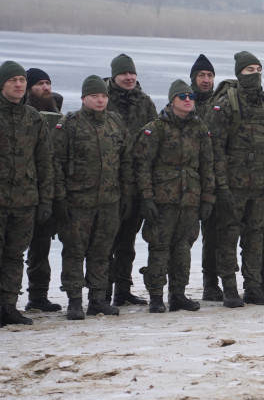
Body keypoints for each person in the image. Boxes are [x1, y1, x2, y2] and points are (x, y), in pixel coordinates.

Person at [209, 51, 264, 308]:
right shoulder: (226, 103)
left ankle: (253, 286)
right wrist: (221, 185)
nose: (254, 74)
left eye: (258, 69)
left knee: (256, 237)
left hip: (261, 185)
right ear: (239, 73)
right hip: (234, 184)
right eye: (249, 70)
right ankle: (229, 289)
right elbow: (216, 148)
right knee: (229, 236)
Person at [51, 75, 130, 319]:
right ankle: (75, 301)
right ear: (84, 98)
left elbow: (125, 161)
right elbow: (56, 163)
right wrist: (60, 198)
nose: (100, 100)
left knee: (102, 252)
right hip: (78, 203)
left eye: (103, 96)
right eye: (94, 96)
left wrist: (126, 194)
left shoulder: (115, 123)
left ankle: (97, 299)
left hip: (109, 201)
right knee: (74, 251)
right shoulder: (70, 124)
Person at [136, 80, 215, 313]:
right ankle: (156, 296)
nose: (188, 99)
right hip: (163, 200)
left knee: (183, 249)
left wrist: (208, 198)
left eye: (190, 96)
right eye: (182, 96)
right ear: (172, 101)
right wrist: (146, 198)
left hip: (190, 200)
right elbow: (143, 166)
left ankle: (178, 293)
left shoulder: (200, 129)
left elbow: (207, 166)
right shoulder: (156, 128)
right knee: (159, 248)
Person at [0, 61, 53, 327]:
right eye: (13, 81)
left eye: (22, 80)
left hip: (25, 200)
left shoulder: (33, 117)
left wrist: (45, 200)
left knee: (14, 255)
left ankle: (9, 306)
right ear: (3, 85)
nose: (19, 85)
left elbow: (44, 161)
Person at [106, 53, 158, 307]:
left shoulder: (145, 102)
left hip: (137, 182)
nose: (128, 78)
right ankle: (101, 291)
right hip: (109, 183)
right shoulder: (103, 100)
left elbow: (155, 136)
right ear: (114, 76)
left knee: (127, 241)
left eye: (132, 73)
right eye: (123, 74)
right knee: (105, 241)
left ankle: (123, 290)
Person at [23, 68, 64, 312]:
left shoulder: (56, 113)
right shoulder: (21, 114)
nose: (45, 88)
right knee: (12, 250)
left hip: (49, 191)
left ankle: (38, 296)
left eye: (47, 83)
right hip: (21, 191)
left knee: (41, 248)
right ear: (29, 90)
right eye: (39, 84)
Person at [189, 54, 223, 301]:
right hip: (187, 181)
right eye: (201, 75)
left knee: (213, 235)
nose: (206, 79)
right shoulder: (182, 102)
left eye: (210, 75)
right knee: (183, 236)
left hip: (213, 179)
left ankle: (211, 282)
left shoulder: (221, 104)